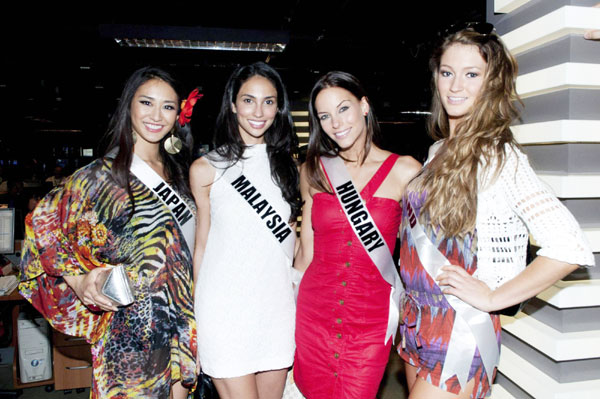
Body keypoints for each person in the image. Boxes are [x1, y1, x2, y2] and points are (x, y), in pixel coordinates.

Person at [397, 24, 596, 399]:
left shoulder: (498, 157)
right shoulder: (438, 150)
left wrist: (493, 298)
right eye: (447, 73)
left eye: (471, 74)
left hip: (459, 326)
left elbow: (570, 246)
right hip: (416, 320)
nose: (455, 86)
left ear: (491, 83)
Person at [19, 66, 200, 398]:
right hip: (131, 334)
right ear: (128, 106)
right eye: (146, 103)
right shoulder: (99, 176)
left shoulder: (182, 176)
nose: (156, 115)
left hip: (180, 323)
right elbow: (41, 227)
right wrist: (78, 280)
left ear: (178, 115)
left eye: (168, 106)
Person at [293, 71, 421, 399]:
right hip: (313, 315)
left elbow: (422, 253)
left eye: (343, 108)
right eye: (325, 116)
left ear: (364, 106)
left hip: (370, 320)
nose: (336, 123)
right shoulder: (312, 171)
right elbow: (305, 255)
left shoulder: (406, 171)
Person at [191, 62, 301, 399]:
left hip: (276, 308)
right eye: (248, 100)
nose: (259, 111)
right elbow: (202, 246)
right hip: (224, 311)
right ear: (233, 104)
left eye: (269, 101)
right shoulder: (206, 169)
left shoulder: (290, 168)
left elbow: (294, 244)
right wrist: (195, 322)